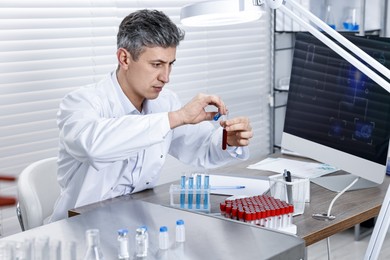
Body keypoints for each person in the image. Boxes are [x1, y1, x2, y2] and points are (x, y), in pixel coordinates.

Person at [49, 9, 253, 222]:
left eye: (170, 64)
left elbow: (201, 149)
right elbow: (93, 147)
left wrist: (227, 140)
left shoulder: (165, 102)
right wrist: (175, 118)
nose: (166, 77)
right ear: (124, 58)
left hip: (135, 226)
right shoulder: (81, 102)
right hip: (79, 229)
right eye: (156, 65)